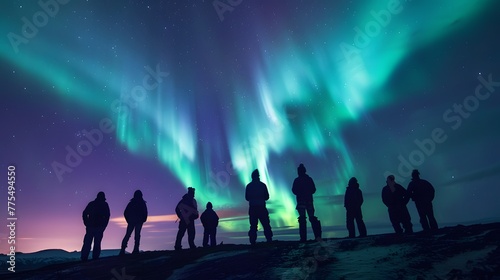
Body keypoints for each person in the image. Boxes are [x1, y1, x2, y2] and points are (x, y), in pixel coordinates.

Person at [292, 163, 322, 241]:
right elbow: (313, 189)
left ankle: (303, 238)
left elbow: (294, 190)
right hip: (309, 201)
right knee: (312, 217)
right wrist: (308, 193)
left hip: (301, 202)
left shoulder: (297, 180)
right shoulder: (309, 179)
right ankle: (317, 236)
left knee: (302, 219)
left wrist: (300, 193)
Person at [245, 169, 273, 244]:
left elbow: (247, 198)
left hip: (253, 208)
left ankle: (252, 241)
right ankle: (269, 239)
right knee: (266, 224)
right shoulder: (262, 185)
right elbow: (267, 197)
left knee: (253, 226)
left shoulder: (249, 186)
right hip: (261, 207)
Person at [81, 191, 110, 261]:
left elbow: (85, 213)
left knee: (89, 243)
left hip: (93, 227)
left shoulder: (92, 204)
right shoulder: (104, 204)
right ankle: (92, 258)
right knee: (94, 243)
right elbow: (107, 216)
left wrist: (86, 222)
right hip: (94, 227)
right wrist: (104, 225)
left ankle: (86, 258)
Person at [120, 190, 148, 255]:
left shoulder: (132, 203)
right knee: (136, 235)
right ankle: (135, 249)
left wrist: (129, 220)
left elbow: (125, 212)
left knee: (129, 235)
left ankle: (124, 250)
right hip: (135, 222)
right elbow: (145, 212)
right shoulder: (141, 203)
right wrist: (143, 219)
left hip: (133, 221)